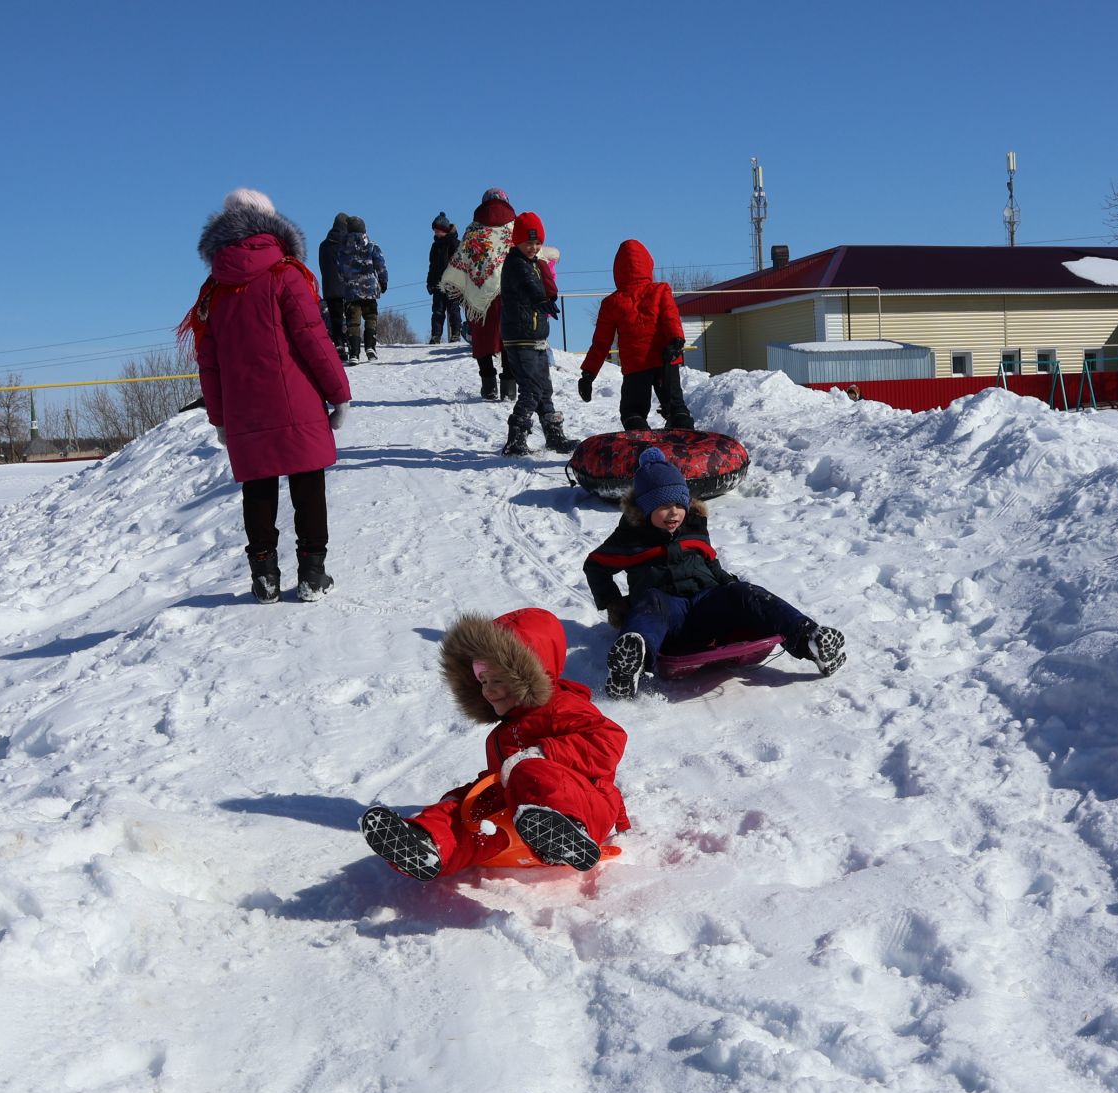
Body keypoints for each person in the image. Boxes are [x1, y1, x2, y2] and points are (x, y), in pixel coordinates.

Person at [360, 608, 630, 880]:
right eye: (482, 681)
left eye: (497, 680)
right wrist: (470, 797)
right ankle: (427, 844)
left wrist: (541, 754)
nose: (487, 690)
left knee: (530, 771)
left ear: (528, 676)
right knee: (468, 803)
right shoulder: (500, 735)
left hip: (583, 813)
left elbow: (608, 740)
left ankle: (557, 829)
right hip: (520, 821)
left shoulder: (561, 705)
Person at [181, 188, 349, 604]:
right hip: (297, 399)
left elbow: (210, 360)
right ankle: (312, 574)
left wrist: (219, 417)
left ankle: (265, 578)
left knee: (258, 489)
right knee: (307, 481)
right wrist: (338, 393)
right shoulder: (286, 273)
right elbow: (313, 339)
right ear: (271, 224)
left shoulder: (213, 290)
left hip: (243, 410)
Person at [583, 448, 845, 698]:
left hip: (706, 604)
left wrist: (733, 591)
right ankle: (631, 662)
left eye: (679, 503)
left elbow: (711, 565)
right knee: (650, 602)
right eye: (662, 506)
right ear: (644, 509)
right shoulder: (630, 538)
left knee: (744, 591)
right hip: (669, 612)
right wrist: (616, 604)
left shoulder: (694, 527)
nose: (673, 512)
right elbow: (596, 566)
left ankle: (809, 639)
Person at [577, 239, 695, 432]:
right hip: (666, 359)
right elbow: (671, 318)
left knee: (633, 410)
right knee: (676, 405)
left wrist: (588, 374)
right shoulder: (661, 290)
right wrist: (676, 341)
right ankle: (686, 437)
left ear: (617, 271)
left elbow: (601, 343)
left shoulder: (612, 303)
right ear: (648, 264)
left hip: (636, 366)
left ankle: (639, 440)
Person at [499, 211, 573, 457]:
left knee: (544, 389)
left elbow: (538, 285)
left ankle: (553, 435)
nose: (533, 247)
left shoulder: (534, 264)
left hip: (536, 337)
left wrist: (545, 300)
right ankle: (516, 438)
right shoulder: (516, 265)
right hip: (520, 339)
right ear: (516, 241)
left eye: (537, 242)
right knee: (531, 389)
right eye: (528, 242)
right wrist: (541, 300)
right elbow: (529, 287)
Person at [441, 188, 517, 402]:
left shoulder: (473, 230)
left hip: (479, 294)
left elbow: (461, 260)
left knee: (483, 337)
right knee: (510, 337)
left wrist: (457, 287)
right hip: (510, 292)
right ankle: (510, 387)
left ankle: (489, 385)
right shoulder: (515, 227)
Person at [336, 216, 389, 362]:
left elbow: (339, 271)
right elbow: (381, 266)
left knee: (353, 322)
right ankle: (370, 347)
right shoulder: (372, 245)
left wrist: (346, 282)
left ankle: (354, 353)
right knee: (371, 317)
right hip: (370, 290)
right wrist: (383, 283)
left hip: (351, 292)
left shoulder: (342, 249)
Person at [426, 213, 464, 343]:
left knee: (453, 309)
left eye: (438, 230)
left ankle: (456, 333)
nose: (436, 233)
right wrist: (430, 282)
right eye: (435, 231)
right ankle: (436, 335)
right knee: (437, 310)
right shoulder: (435, 246)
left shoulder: (455, 243)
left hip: (452, 282)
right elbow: (432, 266)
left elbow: (460, 264)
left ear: (444, 230)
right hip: (437, 282)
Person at [317, 213, 349, 353]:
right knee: (350, 316)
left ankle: (338, 343)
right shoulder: (348, 243)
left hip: (330, 286)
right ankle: (350, 342)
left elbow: (322, 266)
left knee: (335, 317)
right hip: (347, 286)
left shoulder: (323, 245)